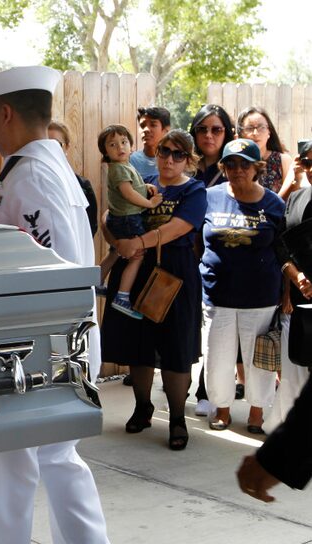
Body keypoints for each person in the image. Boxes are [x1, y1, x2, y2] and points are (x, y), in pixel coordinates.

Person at [0, 65, 114, 544]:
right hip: (59, 342)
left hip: (40, 347)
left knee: (13, 461)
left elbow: (54, 269)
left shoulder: (30, 173)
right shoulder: (44, 165)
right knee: (56, 457)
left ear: (7, 112)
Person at [102, 130, 207, 451]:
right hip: (136, 269)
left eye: (178, 154)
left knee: (176, 349)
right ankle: (143, 406)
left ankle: (177, 418)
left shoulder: (195, 190)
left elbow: (177, 229)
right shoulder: (142, 180)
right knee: (138, 344)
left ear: (189, 160)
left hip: (173, 276)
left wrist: (138, 242)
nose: (169, 159)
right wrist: (116, 241)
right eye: (164, 152)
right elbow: (111, 214)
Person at [200, 138, 284, 434]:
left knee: (258, 359)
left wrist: (286, 294)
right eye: (231, 164)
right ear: (222, 167)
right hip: (217, 293)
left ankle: (257, 412)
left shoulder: (274, 204)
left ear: (257, 168)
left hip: (260, 296)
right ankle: (221, 409)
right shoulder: (208, 197)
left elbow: (283, 251)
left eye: (245, 164)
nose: (238, 170)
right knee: (217, 356)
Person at [188, 104, 235, 416]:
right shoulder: (185, 164)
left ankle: (209, 389)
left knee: (217, 330)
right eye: (203, 129)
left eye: (216, 129)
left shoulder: (235, 166)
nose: (209, 135)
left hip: (221, 257)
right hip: (185, 253)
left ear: (227, 133)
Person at [265, 140, 312, 432]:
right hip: (298, 299)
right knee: (294, 369)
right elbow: (280, 245)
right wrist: (295, 278)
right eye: (308, 162)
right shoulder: (296, 199)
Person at [98, 124, 163, 319]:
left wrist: (146, 186)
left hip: (119, 219)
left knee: (114, 252)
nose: (120, 147)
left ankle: (95, 283)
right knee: (137, 256)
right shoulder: (118, 169)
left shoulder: (124, 166)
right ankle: (122, 296)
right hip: (129, 219)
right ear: (106, 152)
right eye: (113, 144)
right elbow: (128, 193)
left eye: (124, 142)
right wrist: (149, 203)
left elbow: (134, 186)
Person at [47, 121, 98, 236]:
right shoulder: (31, 182)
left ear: (67, 147)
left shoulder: (82, 185)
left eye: (56, 144)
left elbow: (91, 226)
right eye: (46, 144)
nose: (49, 149)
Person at [236, 107, 293, 199]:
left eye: (261, 127)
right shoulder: (235, 161)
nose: (255, 133)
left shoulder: (283, 160)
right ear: (241, 133)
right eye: (249, 128)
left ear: (269, 132)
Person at [129, 106, 171, 178]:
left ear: (166, 129)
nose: (146, 129)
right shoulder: (131, 161)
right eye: (142, 125)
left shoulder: (175, 160)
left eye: (153, 125)